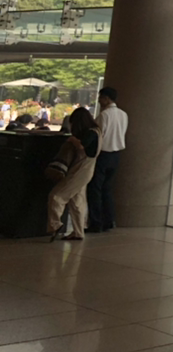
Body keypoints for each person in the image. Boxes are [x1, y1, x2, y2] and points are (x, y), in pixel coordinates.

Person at [47, 107, 102, 241]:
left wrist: (72, 139)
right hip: (87, 170)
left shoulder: (90, 133)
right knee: (77, 201)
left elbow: (82, 146)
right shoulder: (98, 131)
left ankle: (55, 224)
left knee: (57, 196)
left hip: (79, 170)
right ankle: (78, 231)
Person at [86, 87, 128, 233]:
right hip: (116, 155)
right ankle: (109, 220)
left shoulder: (104, 115)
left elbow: (98, 135)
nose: (99, 101)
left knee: (95, 189)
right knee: (107, 189)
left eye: (100, 98)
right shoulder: (123, 114)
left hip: (103, 154)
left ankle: (96, 222)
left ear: (106, 98)